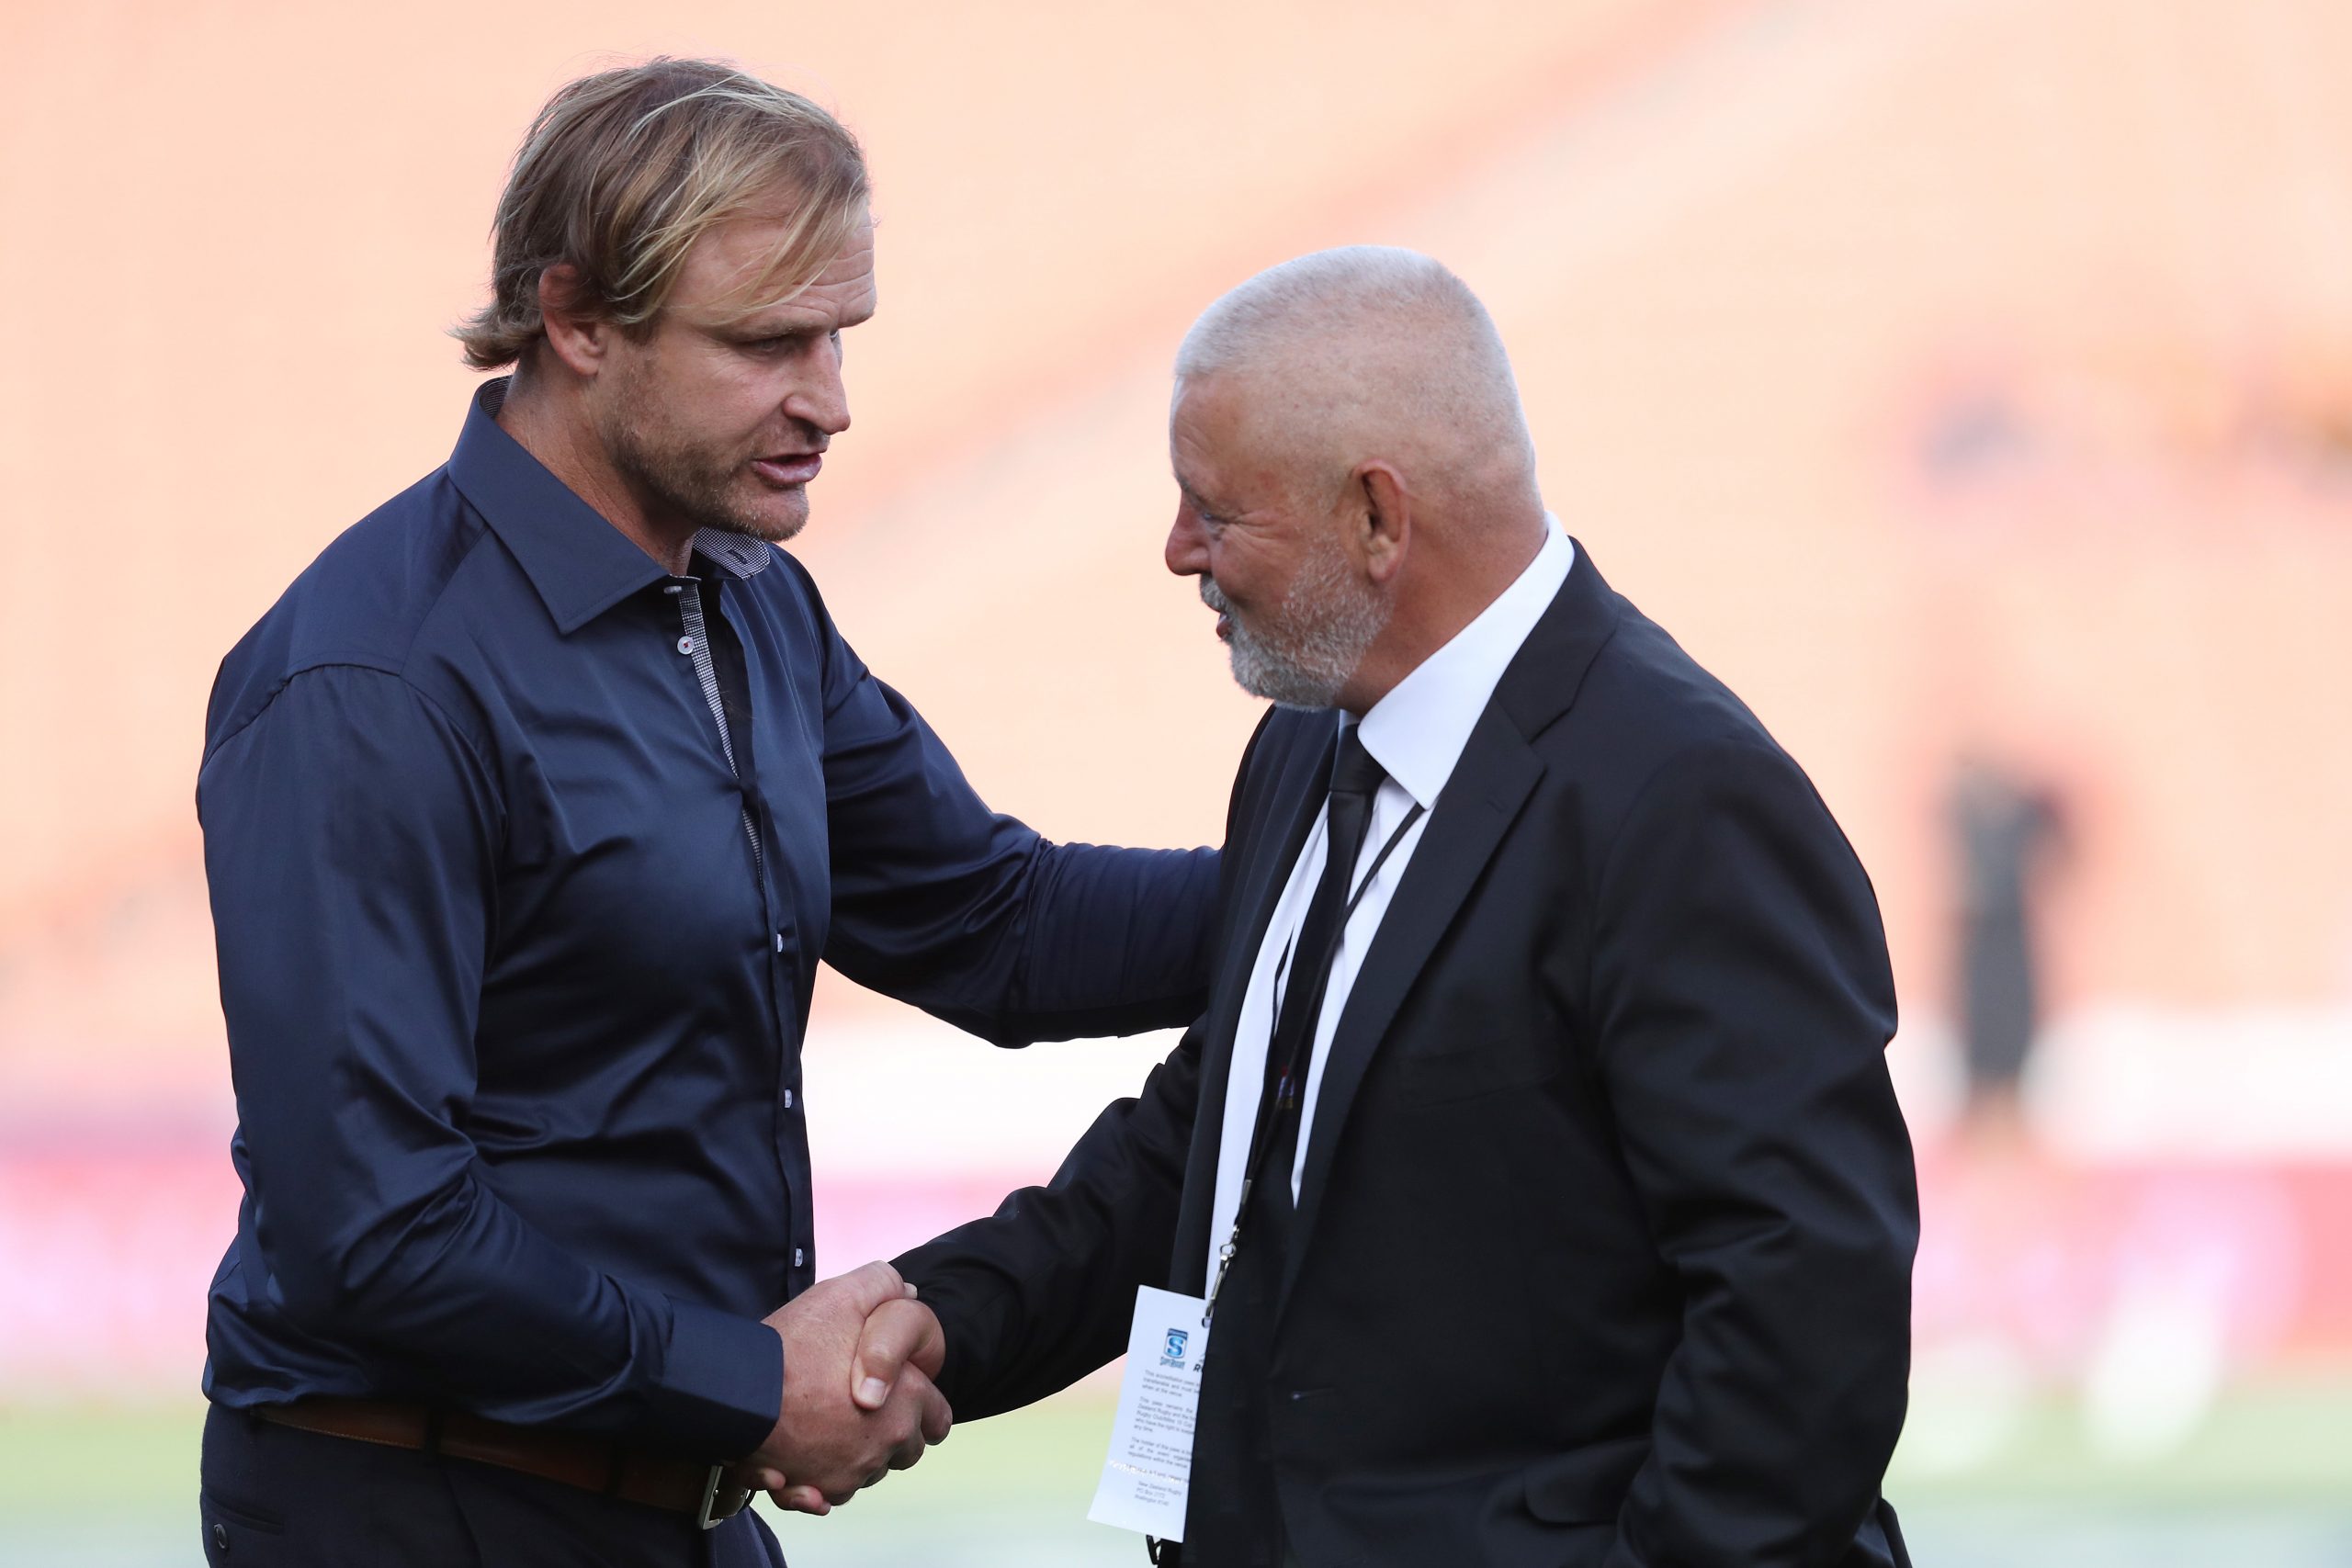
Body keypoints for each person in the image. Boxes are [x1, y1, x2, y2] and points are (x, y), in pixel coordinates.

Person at [194, 59, 1216, 1567]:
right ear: (577, 318)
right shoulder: (373, 684)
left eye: (839, 335)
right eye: (767, 343)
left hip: (676, 1499)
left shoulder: (748, 603)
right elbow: (375, 1234)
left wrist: (1364, 869)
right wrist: (753, 1385)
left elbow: (1000, 925)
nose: (832, 400)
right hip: (420, 1508)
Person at [883, 248, 1919, 1566]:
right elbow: (1212, 1142)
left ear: (1379, 517)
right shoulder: (1311, 746)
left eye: (1217, 508)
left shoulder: (1680, 796)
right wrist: (941, 1320)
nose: (1177, 551)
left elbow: (1802, 1300)